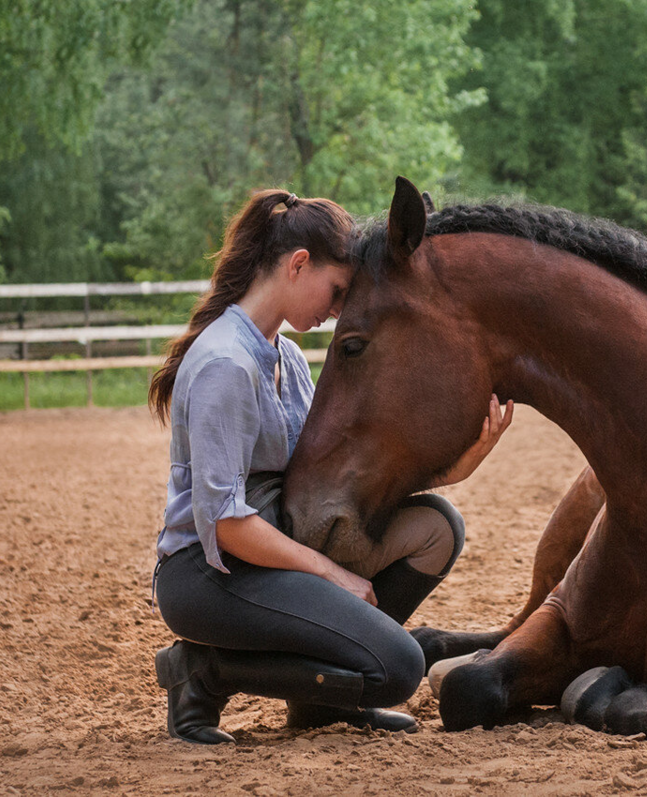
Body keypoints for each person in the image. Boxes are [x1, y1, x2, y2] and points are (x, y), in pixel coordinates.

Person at [148, 189, 513, 744]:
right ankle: (203, 672)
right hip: (210, 571)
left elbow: (321, 478)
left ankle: (318, 704)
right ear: (298, 265)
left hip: (274, 541)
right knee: (399, 667)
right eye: (337, 289)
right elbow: (222, 523)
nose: (339, 309)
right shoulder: (225, 363)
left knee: (438, 528)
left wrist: (452, 471)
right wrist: (332, 574)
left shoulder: (288, 358)